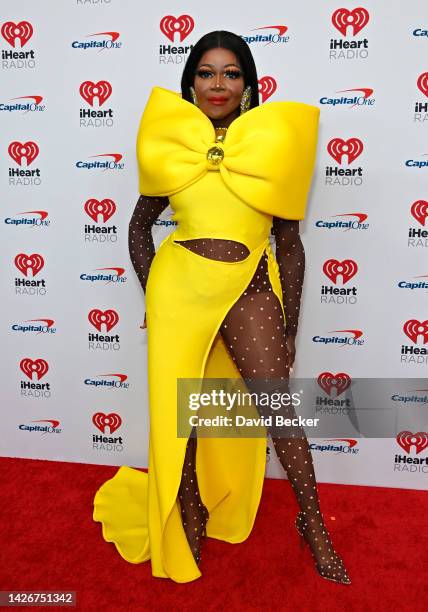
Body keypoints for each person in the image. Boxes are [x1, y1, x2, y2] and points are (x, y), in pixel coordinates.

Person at [93, 30, 351, 585]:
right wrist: (154, 290)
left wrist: (290, 325)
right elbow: (139, 229)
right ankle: (186, 511)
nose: (218, 84)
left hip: (250, 285)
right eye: (206, 73)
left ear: (249, 85)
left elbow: (291, 243)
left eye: (231, 73)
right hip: (178, 290)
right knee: (178, 414)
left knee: (278, 408)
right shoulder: (175, 149)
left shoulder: (271, 148)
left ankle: (313, 523)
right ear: (190, 84)